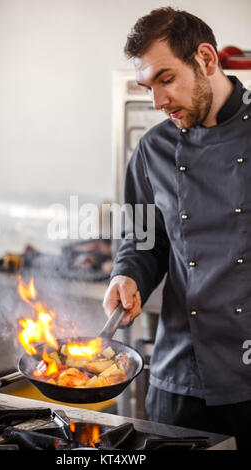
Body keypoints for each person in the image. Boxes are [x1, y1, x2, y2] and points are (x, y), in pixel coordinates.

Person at [103, 7, 251, 450]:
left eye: (166, 80)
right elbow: (144, 239)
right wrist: (126, 274)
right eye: (148, 87)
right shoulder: (154, 149)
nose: (158, 103)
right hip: (177, 376)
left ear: (206, 59)